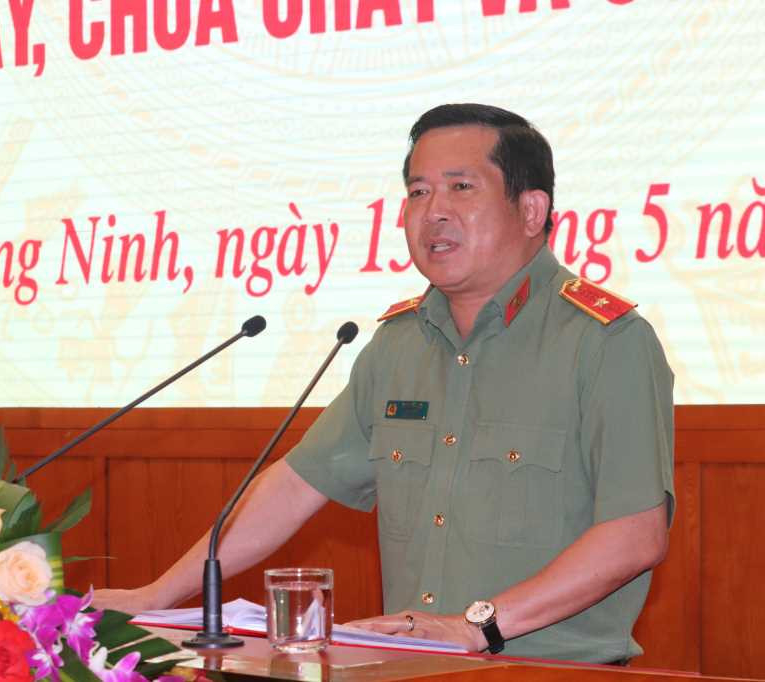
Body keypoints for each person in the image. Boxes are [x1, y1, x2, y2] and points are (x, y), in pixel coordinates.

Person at [94, 104, 674, 664]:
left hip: (552, 670)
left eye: (461, 188)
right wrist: (157, 595)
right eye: (418, 192)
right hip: (410, 665)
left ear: (530, 210)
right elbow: (295, 486)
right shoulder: (396, 346)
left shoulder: (606, 343)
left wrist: (476, 627)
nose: (434, 212)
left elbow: (635, 534)